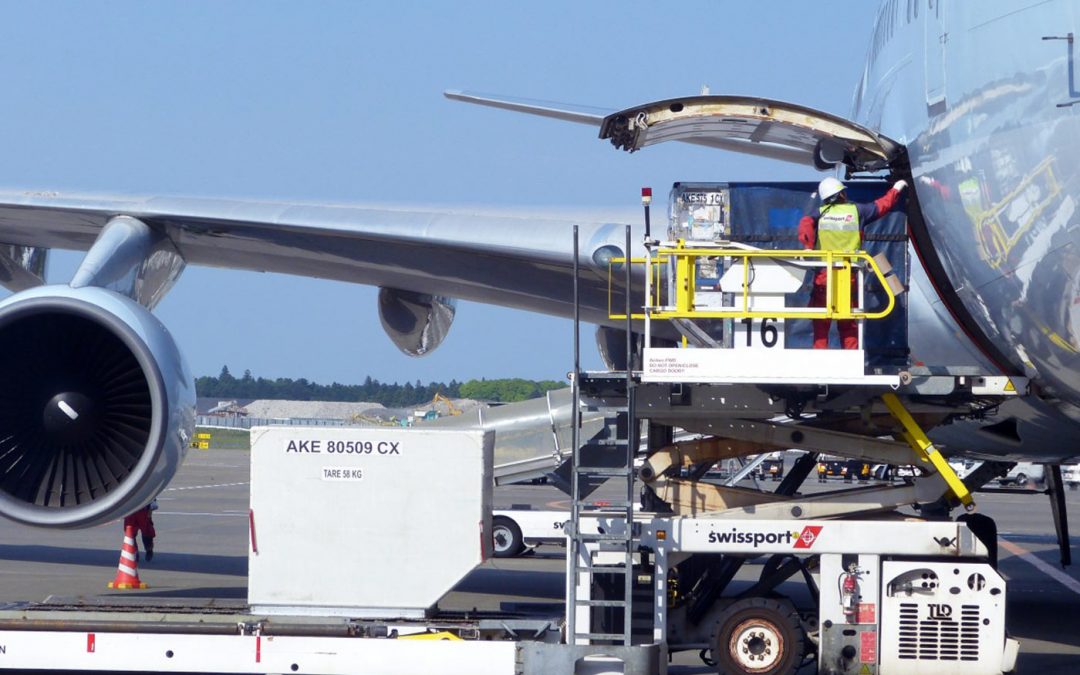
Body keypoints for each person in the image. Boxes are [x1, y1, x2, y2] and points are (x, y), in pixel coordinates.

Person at [798, 177, 907, 349]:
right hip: (847, 275)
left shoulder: (820, 214)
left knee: (821, 321)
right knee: (848, 321)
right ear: (840, 194)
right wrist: (897, 188)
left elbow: (806, 223)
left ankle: (820, 360)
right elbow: (882, 205)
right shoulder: (858, 211)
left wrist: (807, 246)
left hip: (824, 276)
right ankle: (850, 359)